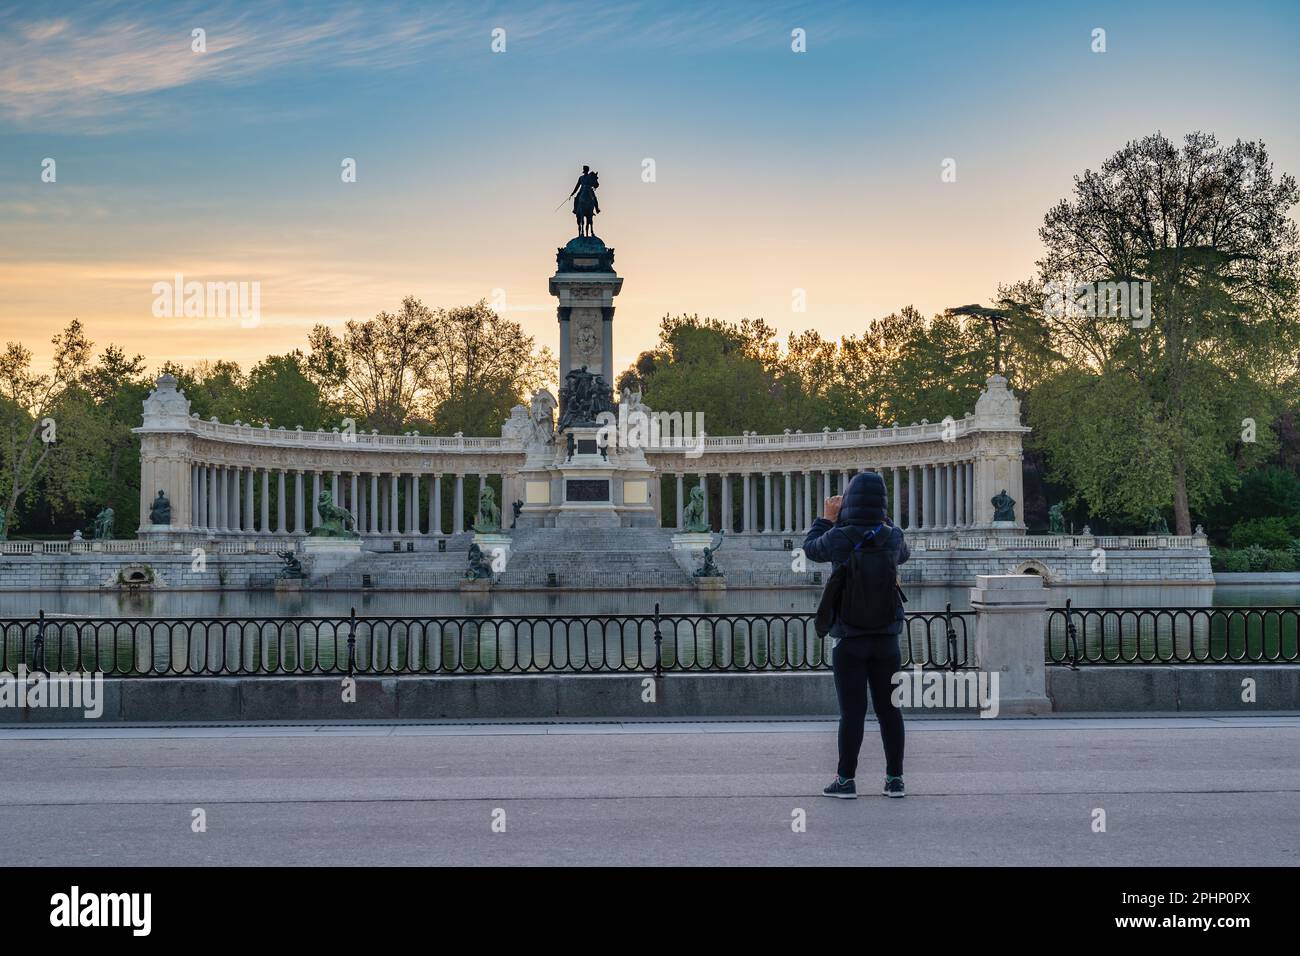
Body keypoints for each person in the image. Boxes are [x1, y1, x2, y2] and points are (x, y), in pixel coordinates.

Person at [802, 471, 910, 799]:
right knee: (890, 710)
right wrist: (881, 517)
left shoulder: (839, 536)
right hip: (887, 637)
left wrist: (826, 518)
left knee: (852, 712)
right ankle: (894, 780)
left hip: (849, 638)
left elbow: (810, 549)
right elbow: (902, 552)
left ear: (848, 500)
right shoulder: (893, 537)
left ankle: (846, 780)